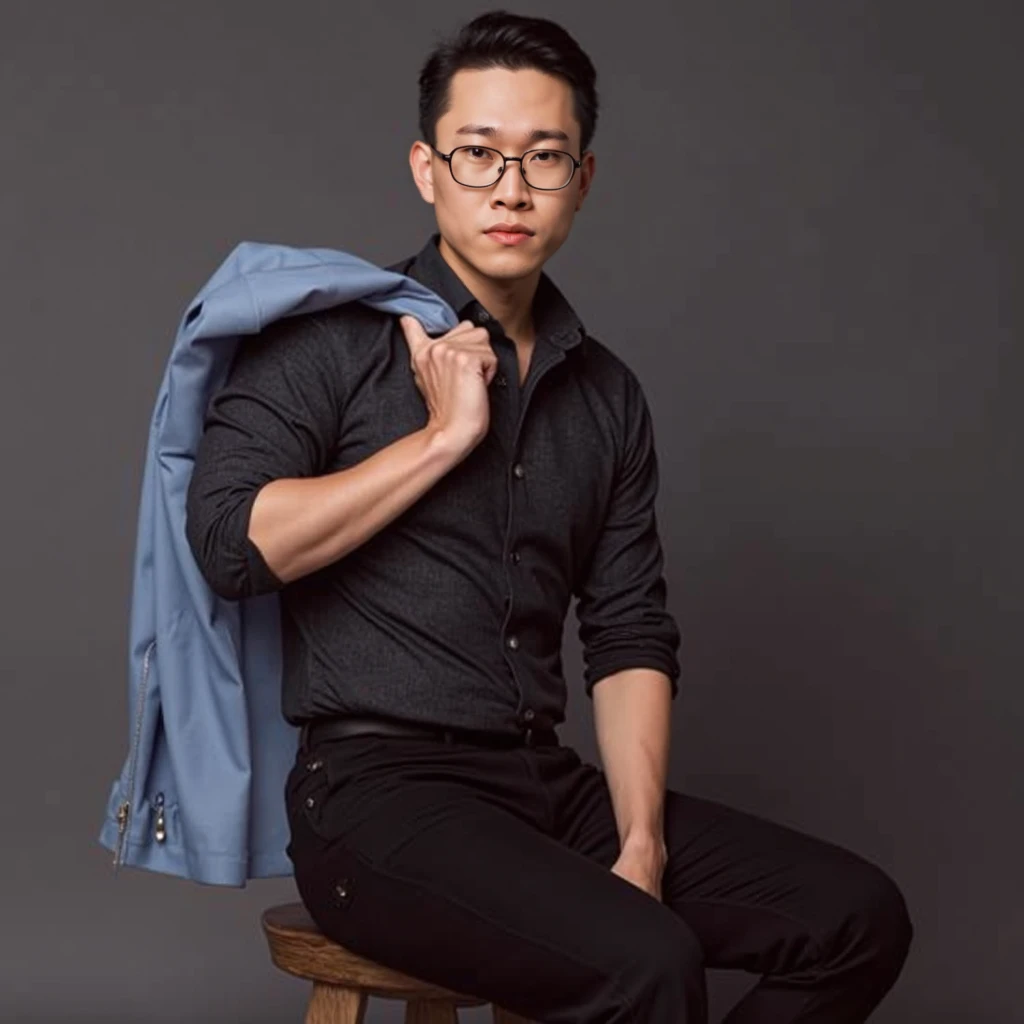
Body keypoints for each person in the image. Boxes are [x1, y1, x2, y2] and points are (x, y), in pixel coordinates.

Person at [184, 10, 912, 1022]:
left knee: (855, 916)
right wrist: (438, 441)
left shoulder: (605, 395)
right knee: (648, 961)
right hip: (374, 798)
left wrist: (641, 838)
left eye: (542, 156)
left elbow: (627, 634)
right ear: (424, 168)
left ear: (583, 179)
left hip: (540, 785)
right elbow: (231, 544)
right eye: (477, 155)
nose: (510, 188)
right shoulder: (328, 344)